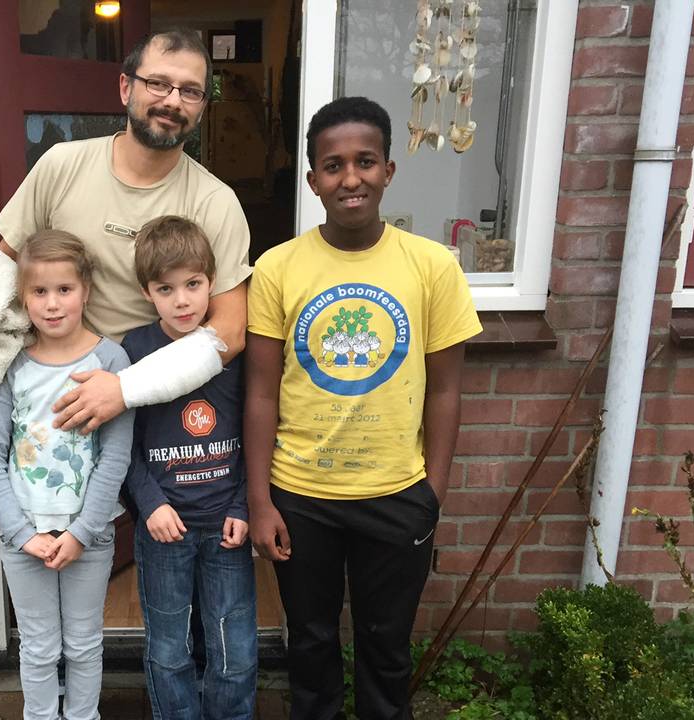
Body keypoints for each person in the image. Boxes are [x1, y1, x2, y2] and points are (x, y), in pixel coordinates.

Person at [244, 96, 483, 719]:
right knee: (312, 643)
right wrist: (262, 501)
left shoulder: (432, 266)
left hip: (397, 494)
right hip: (300, 495)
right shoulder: (277, 269)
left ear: (388, 171)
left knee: (386, 645)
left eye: (365, 161)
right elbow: (262, 392)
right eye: (333, 165)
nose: (350, 178)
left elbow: (447, 388)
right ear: (313, 180)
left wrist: (433, 489)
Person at [0, 29, 251, 434]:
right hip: (59, 398)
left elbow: (229, 332)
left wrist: (125, 389)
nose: (173, 101)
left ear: (202, 107)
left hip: (163, 410)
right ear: (126, 87)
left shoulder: (217, 201)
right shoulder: (61, 165)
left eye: (191, 91)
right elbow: (2, 267)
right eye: (158, 83)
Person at [0, 231, 135, 720]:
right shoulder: (12, 364)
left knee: (84, 645)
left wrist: (83, 533)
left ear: (86, 290)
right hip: (22, 537)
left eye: (64, 289)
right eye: (39, 292)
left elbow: (115, 455)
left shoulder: (110, 361)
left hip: (90, 534)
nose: (52, 303)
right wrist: (21, 533)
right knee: (40, 649)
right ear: (23, 299)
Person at [121, 216, 256, 720]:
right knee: (169, 649)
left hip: (226, 528)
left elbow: (254, 437)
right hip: (164, 532)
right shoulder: (132, 352)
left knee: (235, 649)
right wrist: (149, 503)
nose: (182, 300)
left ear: (212, 283)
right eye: (166, 288)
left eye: (193, 284)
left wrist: (242, 503)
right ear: (146, 292)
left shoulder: (233, 351)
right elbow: (121, 447)